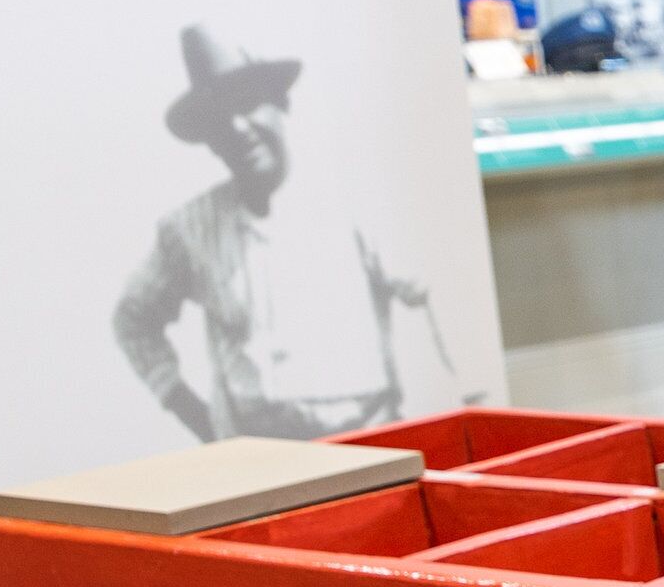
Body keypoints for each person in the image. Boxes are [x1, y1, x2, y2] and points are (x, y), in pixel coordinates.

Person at [113, 25, 458, 440]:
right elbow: (132, 320)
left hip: (368, 442)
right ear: (209, 141)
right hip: (256, 455)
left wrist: (444, 416)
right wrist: (193, 413)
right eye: (219, 119)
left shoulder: (359, 202)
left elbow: (432, 299)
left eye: (247, 104)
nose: (237, 127)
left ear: (281, 103)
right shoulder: (187, 229)